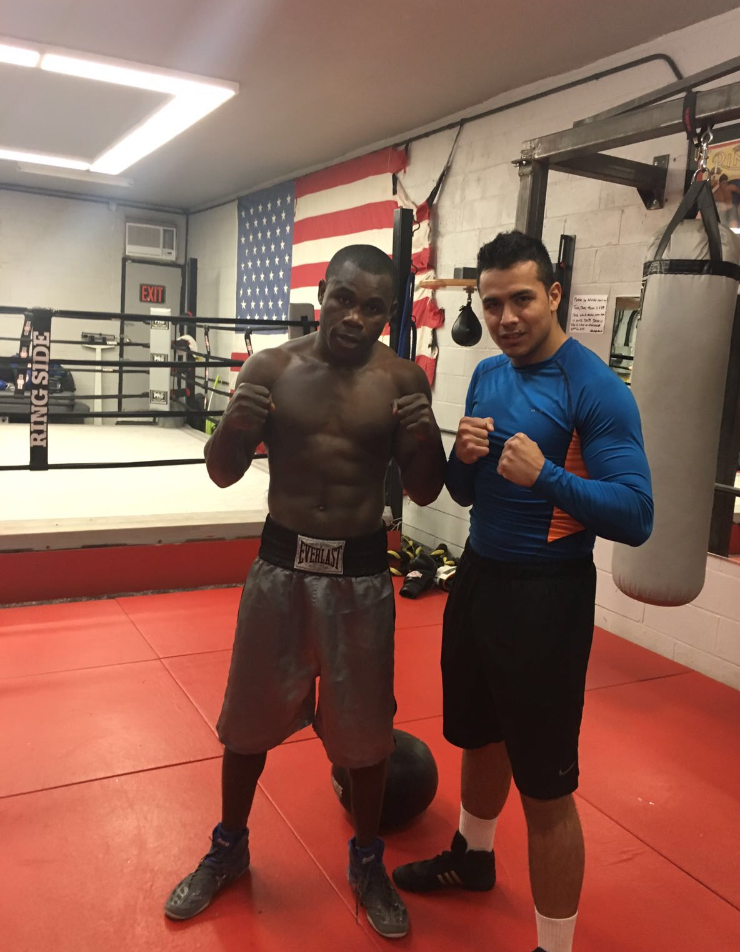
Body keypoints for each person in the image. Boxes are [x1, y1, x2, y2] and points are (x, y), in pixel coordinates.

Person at [164, 244, 445, 939]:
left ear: (388, 313)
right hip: (280, 569)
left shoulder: (401, 378)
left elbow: (426, 488)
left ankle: (368, 860)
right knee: (248, 721)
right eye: (344, 298)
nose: (354, 316)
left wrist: (422, 431)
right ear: (323, 290)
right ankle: (229, 848)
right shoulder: (272, 368)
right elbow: (223, 474)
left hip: (358, 574)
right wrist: (236, 423)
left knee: (366, 732)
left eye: (373, 306)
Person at [393, 231, 653, 952]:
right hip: (479, 579)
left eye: (523, 300)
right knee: (478, 735)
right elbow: (468, 493)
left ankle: (554, 946)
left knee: (545, 784)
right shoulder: (486, 376)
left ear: (555, 295)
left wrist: (548, 476)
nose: (507, 318)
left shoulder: (595, 388)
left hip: (548, 597)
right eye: (493, 302)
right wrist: (464, 460)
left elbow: (637, 514)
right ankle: (473, 858)